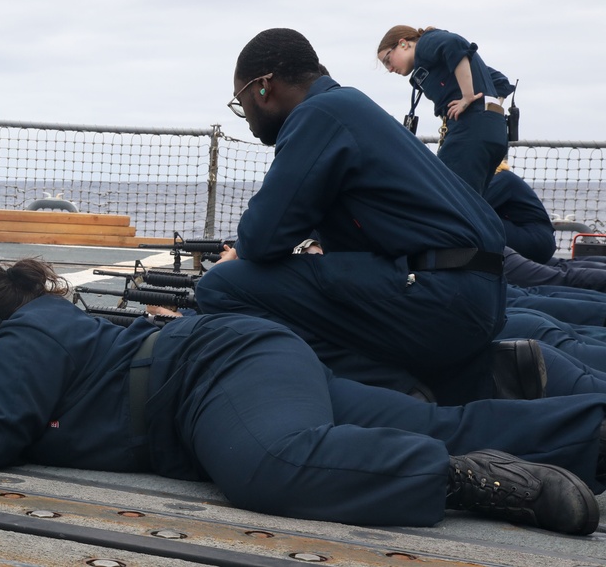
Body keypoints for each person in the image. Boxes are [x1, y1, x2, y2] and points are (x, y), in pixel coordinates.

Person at [0, 253, 606, 534]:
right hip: (230, 366)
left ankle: (464, 478)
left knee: (273, 464)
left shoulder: (32, 331)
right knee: (436, 419)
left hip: (211, 374)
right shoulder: (16, 346)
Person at [195, 28, 510, 406]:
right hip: (478, 294)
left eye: (240, 100)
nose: (243, 114)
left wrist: (239, 253)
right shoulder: (347, 106)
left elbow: (262, 237)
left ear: (263, 87)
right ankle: (458, 380)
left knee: (221, 287)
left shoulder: (316, 116)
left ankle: (393, 391)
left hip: (443, 299)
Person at [376, 25, 509, 194]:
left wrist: (467, 97)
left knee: (445, 195)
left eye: (388, 60)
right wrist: (489, 110)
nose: (390, 69)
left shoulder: (426, 43)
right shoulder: (432, 62)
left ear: (403, 44)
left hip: (469, 132)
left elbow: (454, 44)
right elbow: (500, 81)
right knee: (473, 202)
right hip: (493, 133)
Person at [486, 162, 557, 264]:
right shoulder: (502, 178)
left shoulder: (504, 178)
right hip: (540, 242)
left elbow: (472, 207)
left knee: (478, 218)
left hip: (535, 239)